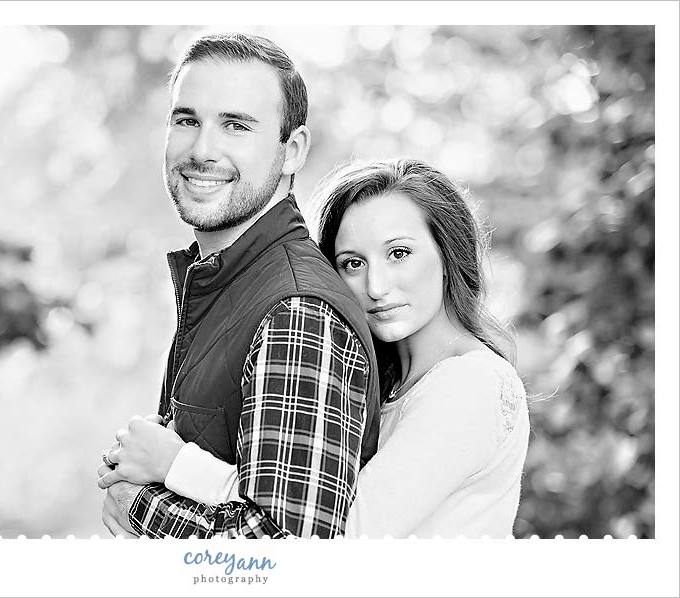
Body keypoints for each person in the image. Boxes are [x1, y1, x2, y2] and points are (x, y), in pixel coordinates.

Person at [102, 159, 531, 538]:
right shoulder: (389, 382)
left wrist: (174, 464)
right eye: (353, 264)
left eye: (398, 253)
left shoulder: (469, 382)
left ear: (447, 251)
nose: (377, 288)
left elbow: (332, 538)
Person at [96, 33, 384, 538]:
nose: (202, 150)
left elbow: (286, 554)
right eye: (186, 121)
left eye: (235, 125)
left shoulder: (297, 311)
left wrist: (137, 505)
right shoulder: (223, 282)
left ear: (291, 150)